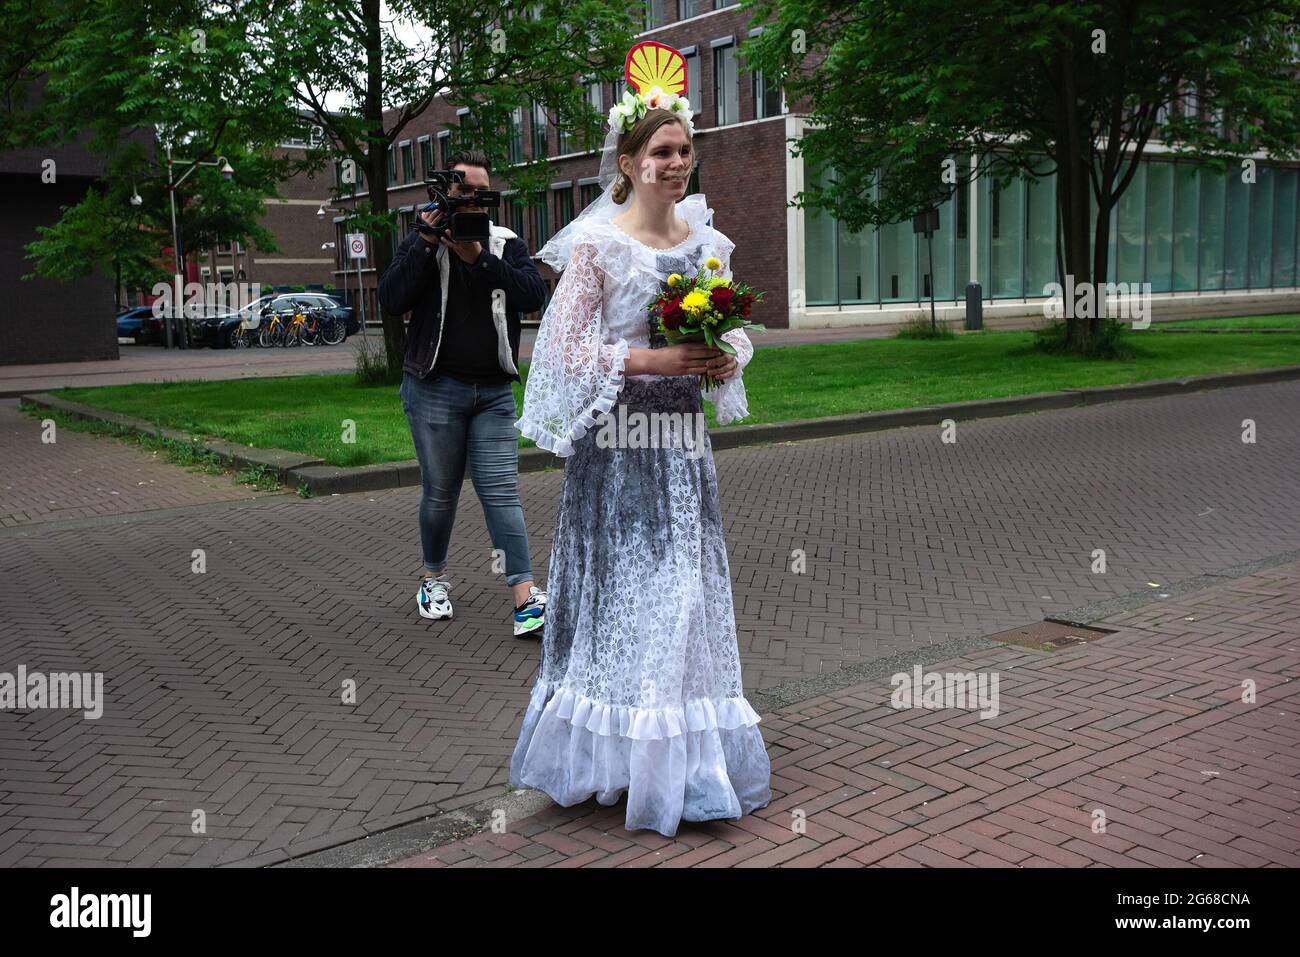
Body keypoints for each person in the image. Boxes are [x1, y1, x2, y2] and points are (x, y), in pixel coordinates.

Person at [508, 49, 773, 837]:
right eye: (662, 151)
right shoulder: (599, 247)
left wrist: (725, 354)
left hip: (681, 448)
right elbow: (560, 351)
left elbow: (734, 333)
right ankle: (619, 762)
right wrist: (648, 358)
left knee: (684, 596)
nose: (677, 163)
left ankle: (682, 763)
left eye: (685, 150)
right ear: (627, 163)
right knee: (630, 600)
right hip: (620, 450)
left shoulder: (707, 244)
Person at [377, 149, 549, 638]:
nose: (473, 199)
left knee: (501, 492)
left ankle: (524, 596)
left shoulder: (504, 243)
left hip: (493, 392)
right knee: (441, 493)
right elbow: (392, 299)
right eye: (463, 189)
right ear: (444, 191)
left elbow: (532, 295)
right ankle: (432, 577)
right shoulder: (424, 241)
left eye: (481, 191)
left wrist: (480, 260)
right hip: (434, 389)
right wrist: (426, 242)